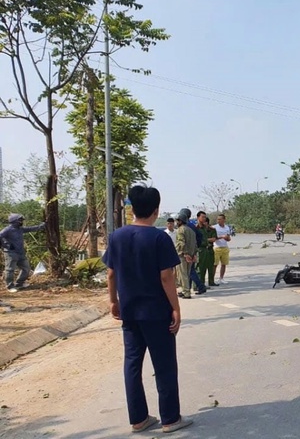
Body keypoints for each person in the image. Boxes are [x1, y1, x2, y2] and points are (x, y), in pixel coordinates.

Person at [102, 185, 192, 434]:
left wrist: (113, 301)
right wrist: (176, 309)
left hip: (130, 311)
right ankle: (170, 419)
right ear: (156, 210)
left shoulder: (116, 237)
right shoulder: (159, 238)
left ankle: (139, 419)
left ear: (131, 208)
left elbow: (111, 273)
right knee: (164, 365)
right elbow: (167, 277)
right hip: (156, 313)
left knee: (132, 364)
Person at [1, 214, 45, 293]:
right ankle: (10, 286)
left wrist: (41, 226)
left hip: (20, 252)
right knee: (10, 270)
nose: (21, 222)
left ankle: (19, 283)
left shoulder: (20, 229)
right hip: (11, 253)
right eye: (20, 220)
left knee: (26, 268)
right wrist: (6, 244)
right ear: (14, 221)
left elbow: (31, 229)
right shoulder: (7, 230)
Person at [175, 212, 198, 299]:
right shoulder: (191, 230)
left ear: (180, 221)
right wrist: (194, 254)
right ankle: (185, 290)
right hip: (191, 254)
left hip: (183, 255)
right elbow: (195, 244)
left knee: (182, 274)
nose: (176, 222)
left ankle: (186, 292)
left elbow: (181, 243)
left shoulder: (180, 230)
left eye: (177, 220)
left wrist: (185, 253)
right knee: (187, 274)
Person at [196, 213, 218, 287]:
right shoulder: (196, 228)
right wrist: (207, 240)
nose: (204, 219)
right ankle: (200, 284)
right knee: (201, 268)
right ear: (198, 217)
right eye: (203, 217)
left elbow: (214, 239)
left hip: (209, 250)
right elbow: (197, 240)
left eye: (205, 218)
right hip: (201, 250)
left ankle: (211, 281)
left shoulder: (208, 229)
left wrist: (206, 240)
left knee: (211, 267)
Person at [213, 214, 232, 284]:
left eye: (220, 219)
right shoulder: (214, 227)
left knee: (224, 264)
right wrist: (221, 237)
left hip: (225, 247)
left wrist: (227, 238)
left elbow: (229, 238)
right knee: (215, 264)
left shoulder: (227, 228)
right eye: (218, 219)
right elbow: (213, 237)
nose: (218, 220)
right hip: (217, 247)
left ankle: (221, 278)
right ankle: (212, 279)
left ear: (224, 220)